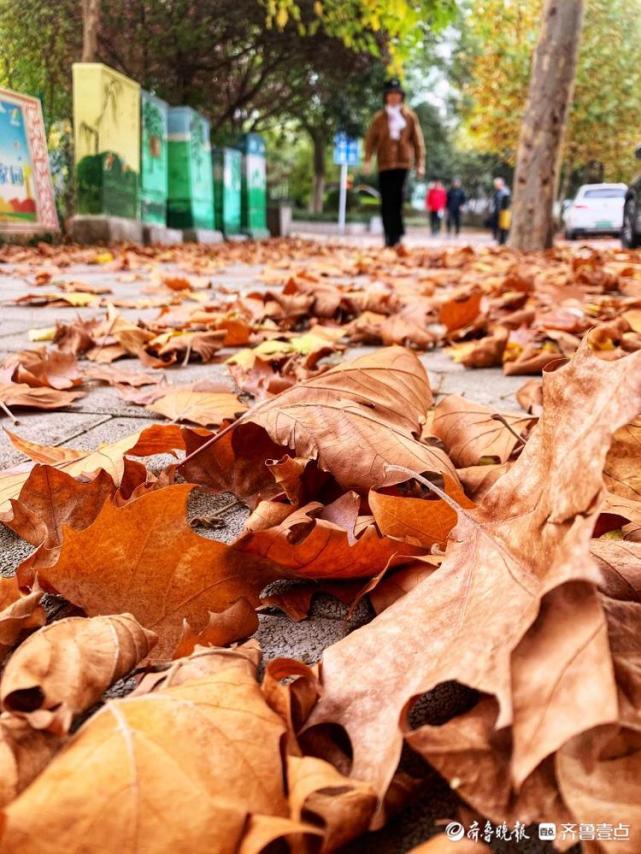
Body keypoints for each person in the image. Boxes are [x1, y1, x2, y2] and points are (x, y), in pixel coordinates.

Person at [364, 78, 425, 248]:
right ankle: (388, 235)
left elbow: (418, 141)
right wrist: (367, 160)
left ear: (401, 97)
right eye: (390, 94)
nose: (393, 97)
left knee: (398, 199)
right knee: (386, 200)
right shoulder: (379, 118)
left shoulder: (410, 117)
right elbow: (370, 141)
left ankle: (397, 235)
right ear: (386, 97)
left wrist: (420, 164)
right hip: (384, 164)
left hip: (403, 163)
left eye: (396, 94)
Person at [491, 177, 511, 245]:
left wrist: (502, 210)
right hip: (497, 210)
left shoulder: (505, 192)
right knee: (495, 224)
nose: (495, 186)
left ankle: (502, 240)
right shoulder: (497, 192)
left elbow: (506, 203)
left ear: (501, 184)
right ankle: (496, 238)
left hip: (504, 212)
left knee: (503, 227)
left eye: (496, 184)